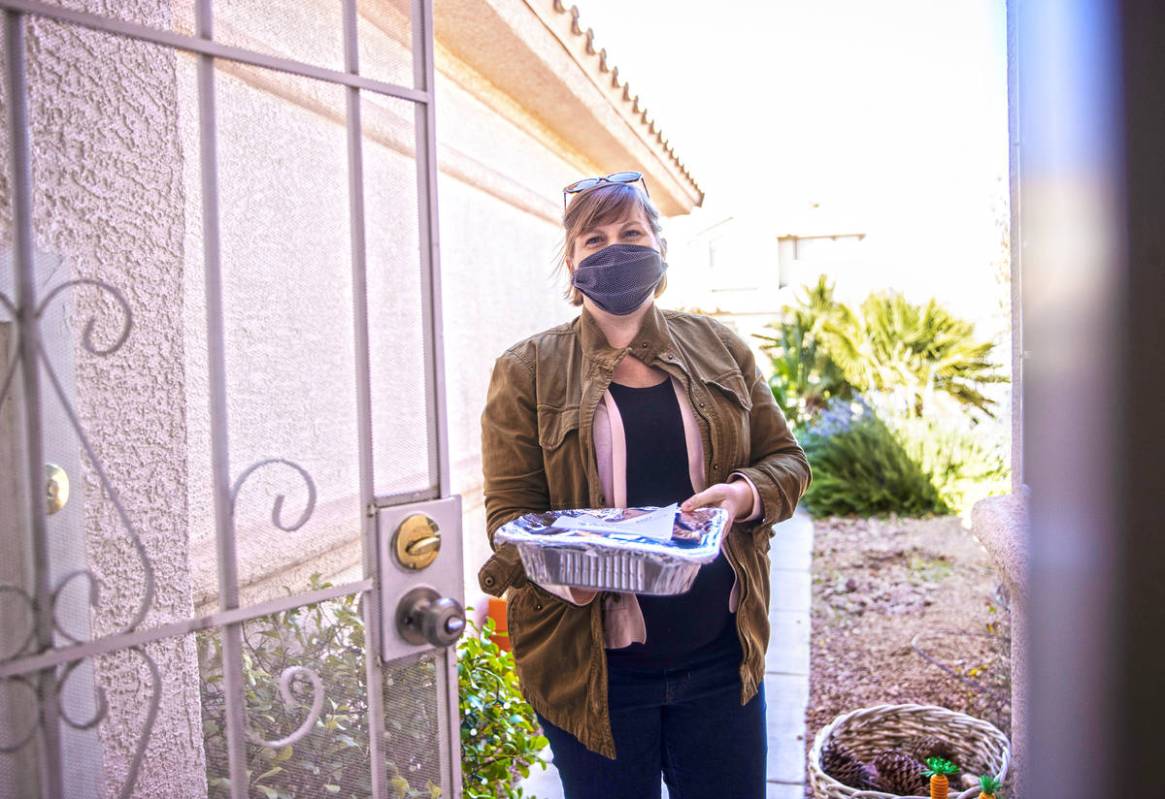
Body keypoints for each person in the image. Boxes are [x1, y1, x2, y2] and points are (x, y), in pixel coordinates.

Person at [476, 171, 812, 799]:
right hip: (592, 671)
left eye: (631, 233)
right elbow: (509, 516)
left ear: (659, 249)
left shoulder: (721, 348)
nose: (614, 249)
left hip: (721, 656)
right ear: (571, 265)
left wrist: (742, 495)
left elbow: (787, 460)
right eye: (593, 240)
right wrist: (565, 569)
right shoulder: (527, 371)